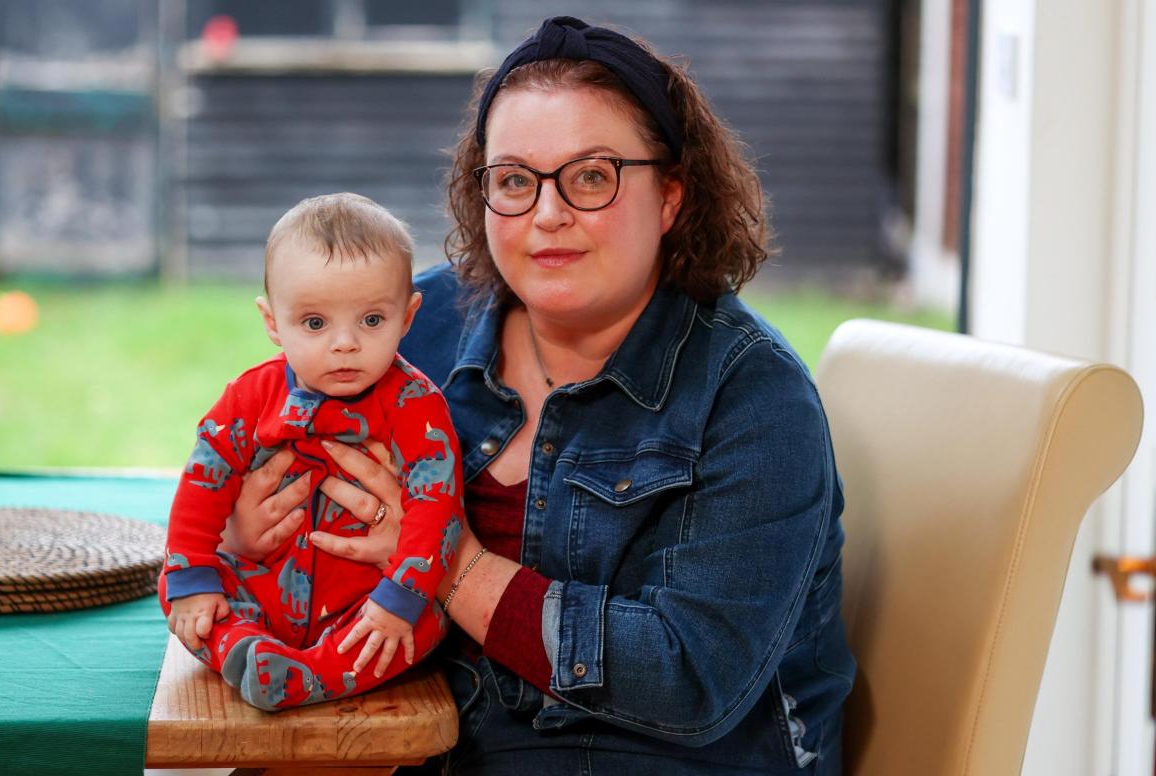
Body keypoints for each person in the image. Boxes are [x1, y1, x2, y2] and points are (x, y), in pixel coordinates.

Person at [223, 16, 855, 773]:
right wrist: (249, 530)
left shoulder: (752, 397)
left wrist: (446, 563)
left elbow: (689, 678)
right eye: (515, 180)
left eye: (591, 175)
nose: (547, 214)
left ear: (670, 198)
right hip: (417, 736)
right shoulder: (409, 331)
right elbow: (269, 472)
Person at [159, 193, 462, 711]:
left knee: (423, 623)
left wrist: (399, 596)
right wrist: (191, 574)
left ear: (408, 316)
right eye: (315, 323)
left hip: (365, 599)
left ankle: (306, 676)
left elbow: (437, 508)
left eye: (371, 321)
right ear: (273, 322)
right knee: (184, 588)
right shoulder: (251, 396)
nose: (345, 344)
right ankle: (244, 646)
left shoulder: (418, 406)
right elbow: (203, 481)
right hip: (263, 582)